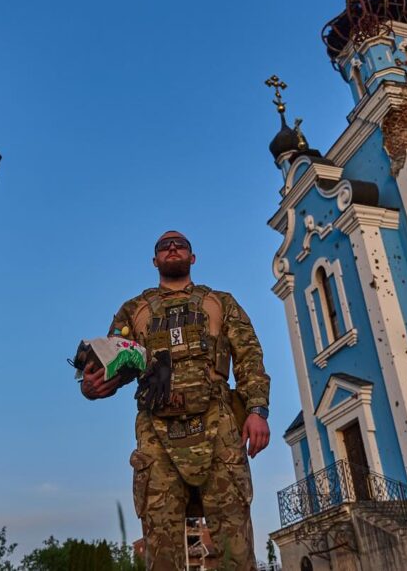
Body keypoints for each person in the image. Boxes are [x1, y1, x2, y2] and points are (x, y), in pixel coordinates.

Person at [82, 230, 270, 570]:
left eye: (180, 244)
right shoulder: (132, 311)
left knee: (235, 542)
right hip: (156, 434)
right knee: (161, 548)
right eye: (164, 246)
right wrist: (91, 387)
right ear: (154, 261)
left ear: (192, 257)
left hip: (219, 429)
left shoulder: (220, 303)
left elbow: (250, 358)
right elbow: (110, 363)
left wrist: (257, 410)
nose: (172, 248)